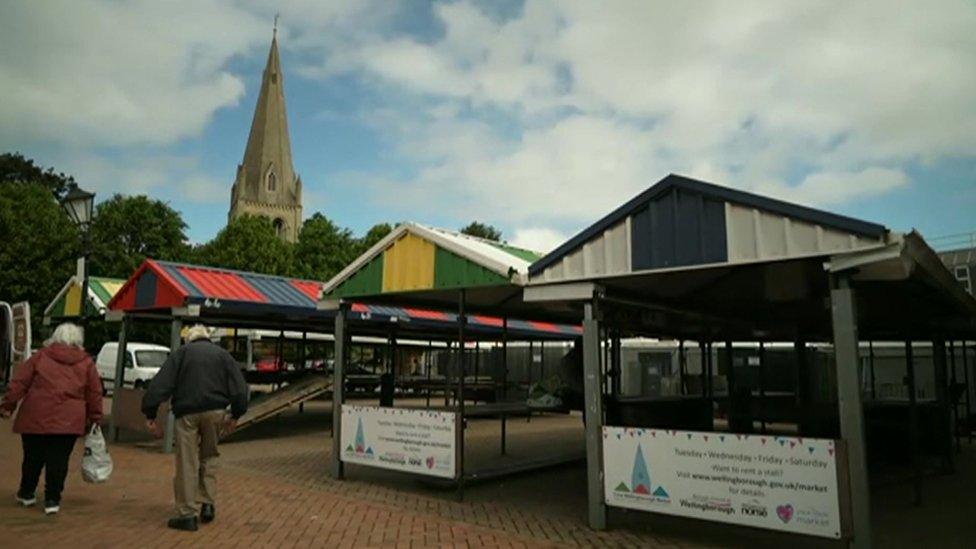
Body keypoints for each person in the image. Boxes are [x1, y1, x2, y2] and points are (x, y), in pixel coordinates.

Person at [142, 324, 248, 532]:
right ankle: (207, 503)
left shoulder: (181, 354)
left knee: (187, 462)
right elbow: (239, 388)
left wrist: (150, 413)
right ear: (207, 337)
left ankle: (187, 514)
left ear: (188, 339)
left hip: (187, 413)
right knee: (210, 456)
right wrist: (236, 414)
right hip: (216, 411)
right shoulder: (223, 355)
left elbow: (160, 385)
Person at [0, 323, 102, 515]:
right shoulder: (87, 363)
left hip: (35, 416)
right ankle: (52, 499)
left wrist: (7, 405)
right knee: (59, 460)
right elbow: (94, 393)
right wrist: (95, 417)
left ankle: (27, 493)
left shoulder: (39, 357)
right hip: (69, 421)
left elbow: (19, 383)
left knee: (32, 457)